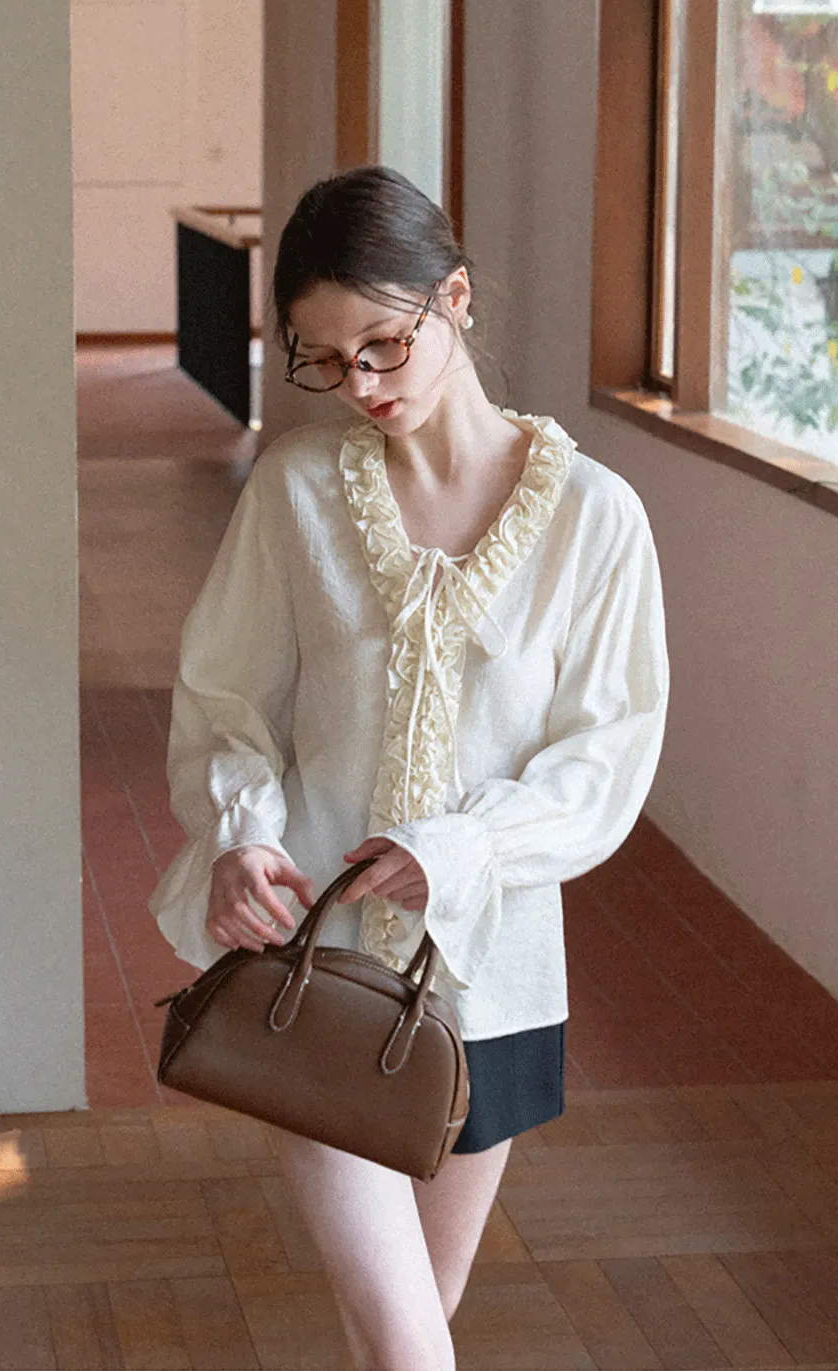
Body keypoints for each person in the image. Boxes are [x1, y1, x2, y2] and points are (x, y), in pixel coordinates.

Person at [148, 164, 669, 1371]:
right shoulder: (294, 494)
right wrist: (237, 832)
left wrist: (463, 847)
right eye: (322, 360)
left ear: (458, 299)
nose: (360, 387)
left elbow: (606, 754)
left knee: (413, 1322)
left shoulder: (596, 519)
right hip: (309, 977)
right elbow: (226, 697)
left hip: (497, 984)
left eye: (384, 344)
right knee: (407, 1346)